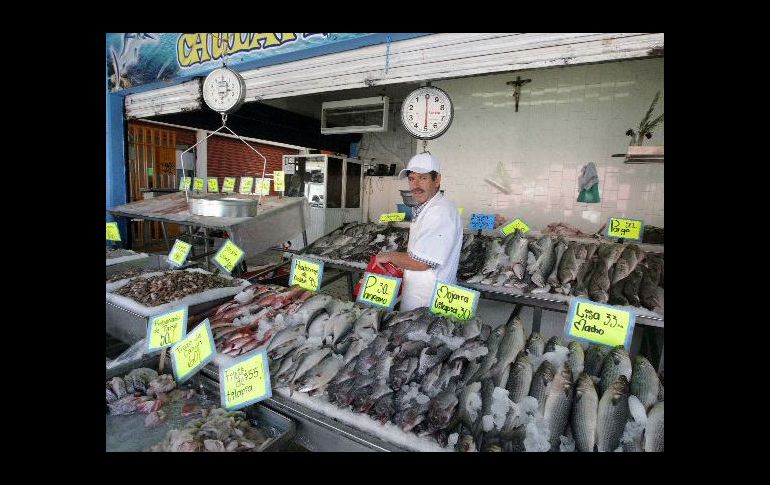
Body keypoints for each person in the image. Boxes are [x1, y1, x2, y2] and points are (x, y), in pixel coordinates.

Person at [375, 152, 463, 311]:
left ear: (437, 180)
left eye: (422, 178)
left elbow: (421, 262)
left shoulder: (440, 212)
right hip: (420, 295)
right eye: (411, 179)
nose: (415, 185)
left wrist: (388, 256)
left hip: (426, 301)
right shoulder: (429, 207)